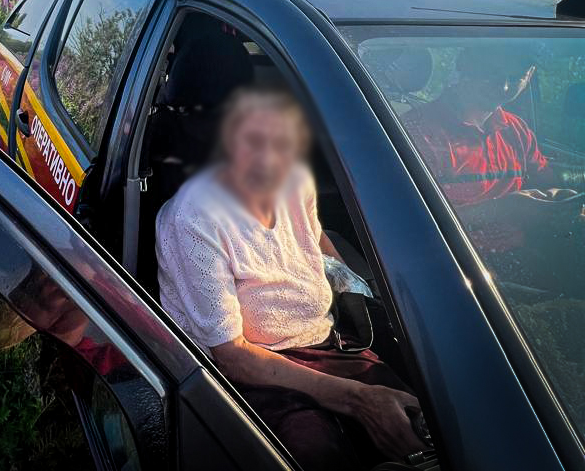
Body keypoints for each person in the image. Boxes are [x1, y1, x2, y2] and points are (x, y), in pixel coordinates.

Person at [156, 86, 425, 470]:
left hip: (328, 346)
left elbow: (315, 240)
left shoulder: (296, 183)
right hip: (251, 374)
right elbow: (232, 357)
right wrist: (358, 399)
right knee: (318, 456)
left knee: (428, 429)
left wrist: (354, 286)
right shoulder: (194, 217)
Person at [402, 45, 585, 291]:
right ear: (466, 66)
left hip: (525, 254)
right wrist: (504, 209)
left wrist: (561, 206)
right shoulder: (416, 132)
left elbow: (546, 181)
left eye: (516, 77)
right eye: (491, 74)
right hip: (456, 264)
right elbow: (415, 224)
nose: (505, 87)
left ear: (530, 75)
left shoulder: (516, 129)